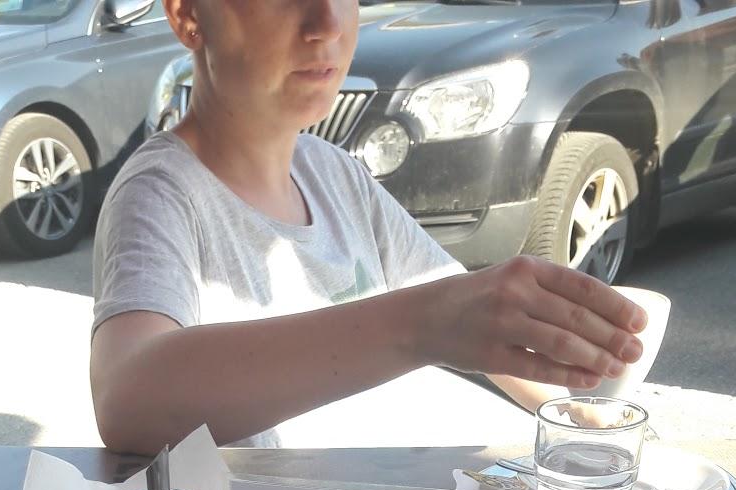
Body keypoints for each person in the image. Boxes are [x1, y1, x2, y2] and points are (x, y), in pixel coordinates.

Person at [89, 0, 648, 454]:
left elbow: (476, 322)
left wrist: (587, 412)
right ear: (188, 16)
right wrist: (420, 326)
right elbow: (128, 396)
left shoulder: (331, 172)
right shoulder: (162, 191)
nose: (327, 22)